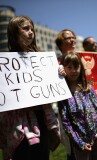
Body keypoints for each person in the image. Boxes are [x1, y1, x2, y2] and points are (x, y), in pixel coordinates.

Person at [0, 16, 60, 160]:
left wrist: (59, 72)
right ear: (14, 33)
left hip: (41, 118)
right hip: (18, 124)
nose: (31, 32)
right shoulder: (5, 64)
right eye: (26, 28)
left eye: (32, 29)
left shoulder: (41, 60)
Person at [55, 29, 77, 160]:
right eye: (68, 38)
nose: (72, 40)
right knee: (73, 143)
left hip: (86, 106)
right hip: (67, 108)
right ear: (61, 44)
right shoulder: (54, 63)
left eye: (73, 37)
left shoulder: (82, 59)